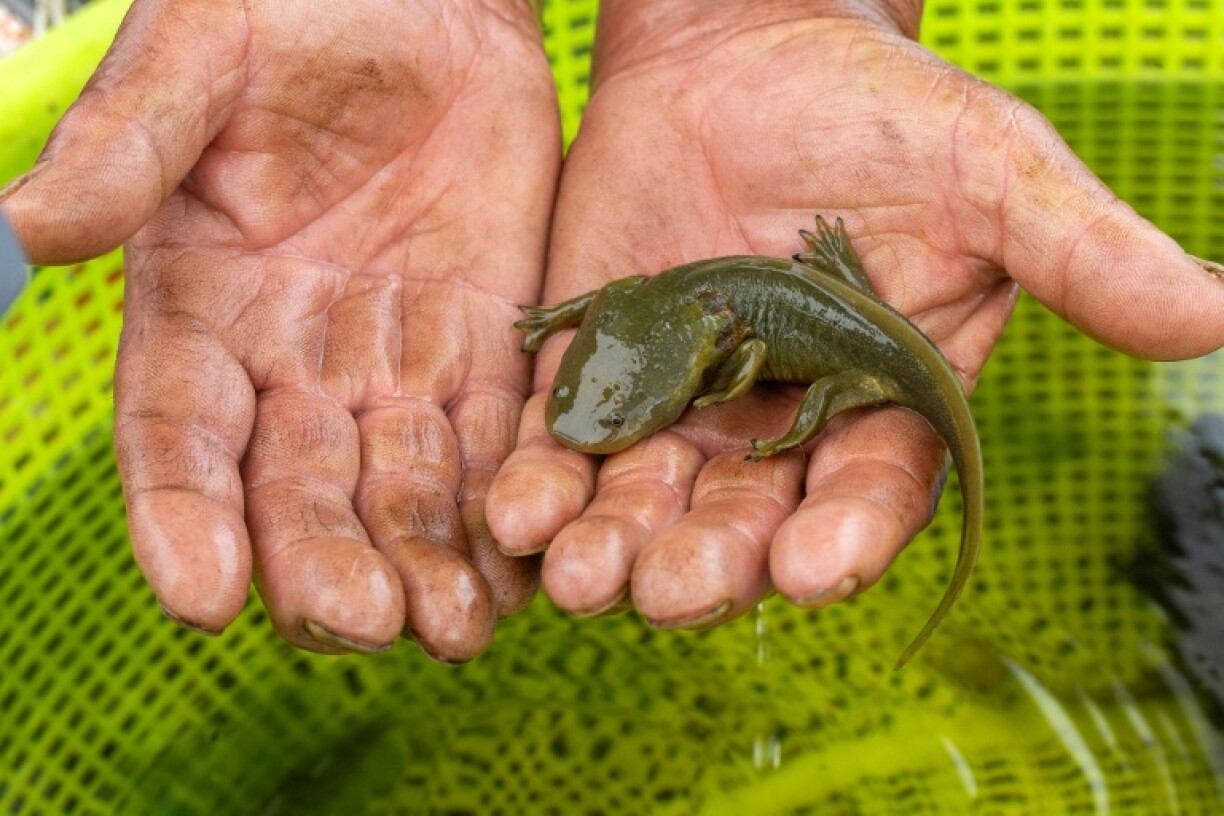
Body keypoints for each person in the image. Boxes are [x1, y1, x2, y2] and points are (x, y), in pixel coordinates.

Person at [4, 0, 1221, 663]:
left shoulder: (722, 348)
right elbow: (605, 313)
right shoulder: (634, 316)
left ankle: (833, 388)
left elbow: (721, 348)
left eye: (628, 404)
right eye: (605, 392)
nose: (604, 420)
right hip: (780, 303)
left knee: (845, 385)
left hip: (846, 345)